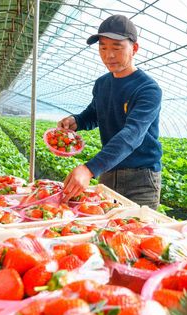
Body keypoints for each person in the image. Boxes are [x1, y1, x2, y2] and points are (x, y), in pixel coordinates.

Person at [58, 14, 163, 210]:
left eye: (117, 47)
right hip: (107, 171)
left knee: (136, 232)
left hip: (140, 179)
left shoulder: (148, 89)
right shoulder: (102, 83)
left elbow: (132, 135)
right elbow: (94, 114)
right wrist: (77, 121)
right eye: (103, 47)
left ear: (135, 48)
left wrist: (89, 169)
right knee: (103, 228)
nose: (109, 55)